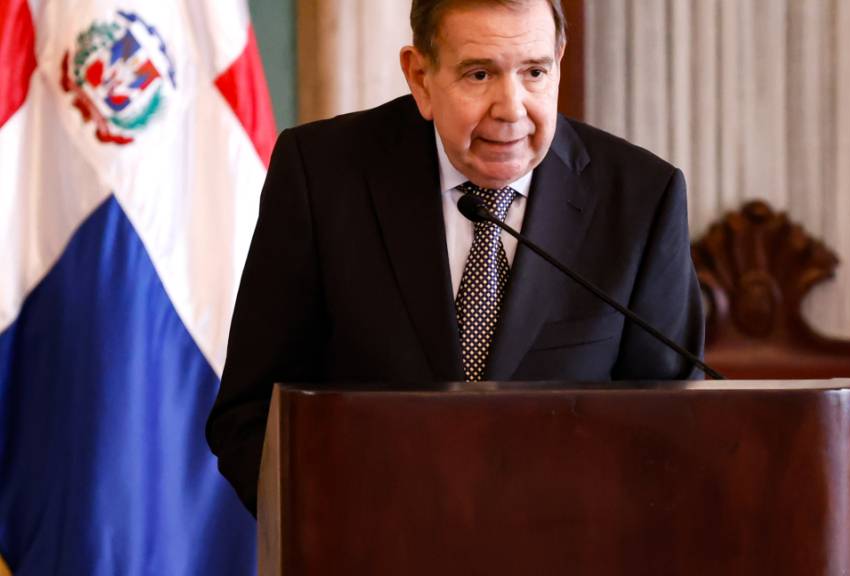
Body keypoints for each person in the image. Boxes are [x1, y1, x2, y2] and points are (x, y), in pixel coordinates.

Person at [206, 0, 705, 515]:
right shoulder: (323, 176)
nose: (511, 107)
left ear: (559, 59)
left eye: (534, 71)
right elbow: (252, 415)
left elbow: (672, 431)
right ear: (420, 77)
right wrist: (336, 538)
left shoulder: (642, 197)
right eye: (480, 73)